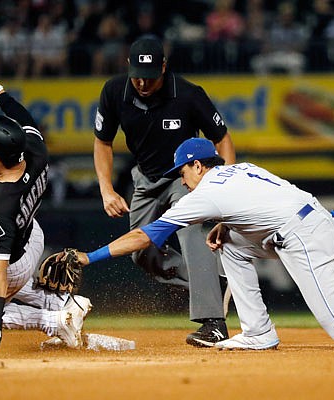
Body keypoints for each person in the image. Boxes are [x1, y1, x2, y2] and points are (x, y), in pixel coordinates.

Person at [66, 137, 334, 350]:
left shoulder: (202, 194)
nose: (180, 178)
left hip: (303, 234)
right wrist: (226, 224)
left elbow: (145, 235)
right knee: (229, 243)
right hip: (304, 219)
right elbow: (271, 199)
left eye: (183, 170)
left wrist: (89, 256)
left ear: (199, 165)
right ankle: (258, 332)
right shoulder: (241, 169)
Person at [93, 35, 236, 347]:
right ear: (128, 67)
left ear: (164, 68)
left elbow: (222, 138)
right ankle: (219, 279)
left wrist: (223, 180)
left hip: (183, 176)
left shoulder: (187, 94)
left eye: (151, 76)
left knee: (187, 230)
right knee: (141, 252)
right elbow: (103, 142)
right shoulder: (115, 91)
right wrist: (106, 189)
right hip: (145, 178)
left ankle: (213, 322)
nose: (143, 83)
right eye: (138, 76)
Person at [0, 71, 92, 353]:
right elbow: (26, 120)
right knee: (6, 278)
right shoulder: (35, 152)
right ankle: (61, 303)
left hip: (9, 260)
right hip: (30, 236)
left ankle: (53, 320)